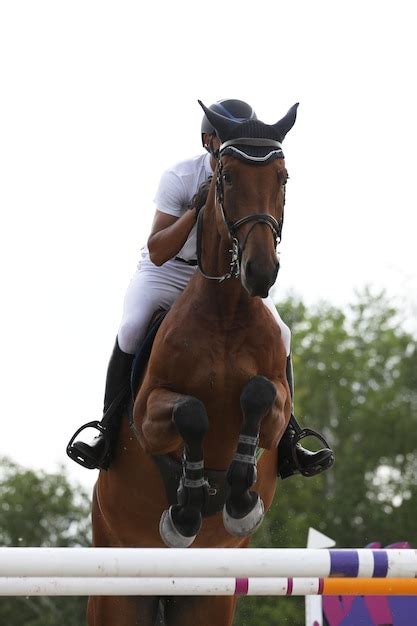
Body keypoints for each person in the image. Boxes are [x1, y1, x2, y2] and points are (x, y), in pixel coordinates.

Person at [67, 99, 334, 479]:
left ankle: (290, 439)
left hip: (225, 275)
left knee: (283, 334)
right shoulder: (180, 176)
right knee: (131, 327)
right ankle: (106, 429)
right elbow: (158, 250)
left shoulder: (246, 171)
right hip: (170, 272)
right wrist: (196, 210)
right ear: (208, 139)